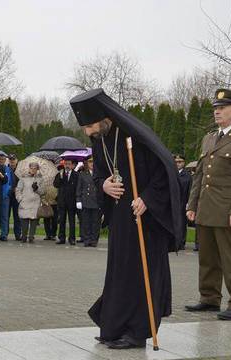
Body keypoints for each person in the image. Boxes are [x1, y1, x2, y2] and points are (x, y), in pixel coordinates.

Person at [71, 89, 182, 349]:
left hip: (145, 218)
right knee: (120, 272)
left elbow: (164, 171)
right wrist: (103, 187)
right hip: (121, 216)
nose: (88, 132)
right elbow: (98, 175)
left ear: (103, 117)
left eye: (89, 125)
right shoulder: (99, 140)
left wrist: (148, 199)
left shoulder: (135, 134)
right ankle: (114, 326)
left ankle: (138, 331)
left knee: (141, 274)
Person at [186, 89, 231, 321]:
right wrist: (192, 204)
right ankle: (209, 298)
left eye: (222, 108)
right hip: (206, 208)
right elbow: (199, 175)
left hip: (228, 211)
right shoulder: (209, 138)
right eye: (215, 108)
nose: (217, 111)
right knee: (207, 257)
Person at [16, 162, 45, 243]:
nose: (33, 170)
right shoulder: (23, 178)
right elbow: (18, 189)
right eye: (31, 168)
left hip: (35, 202)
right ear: (29, 168)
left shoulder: (40, 179)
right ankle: (24, 236)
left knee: (34, 220)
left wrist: (36, 189)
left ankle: (31, 236)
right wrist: (20, 199)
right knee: (24, 219)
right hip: (25, 201)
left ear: (37, 169)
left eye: (35, 168)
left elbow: (43, 192)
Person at [76, 157, 101, 247]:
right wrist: (78, 200)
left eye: (94, 162)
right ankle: (87, 239)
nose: (92, 164)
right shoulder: (82, 174)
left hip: (96, 201)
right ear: (87, 163)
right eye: (90, 162)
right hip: (86, 201)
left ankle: (94, 240)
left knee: (95, 222)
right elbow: (79, 188)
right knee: (86, 222)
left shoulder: (99, 174)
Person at [53, 159, 78, 245]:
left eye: (69, 164)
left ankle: (72, 238)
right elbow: (55, 184)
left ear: (72, 165)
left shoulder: (76, 174)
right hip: (62, 201)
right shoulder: (60, 173)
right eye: (66, 164)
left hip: (72, 201)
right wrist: (60, 177)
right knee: (62, 220)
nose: (67, 166)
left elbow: (77, 188)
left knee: (72, 221)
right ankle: (61, 238)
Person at [0, 154, 21, 241]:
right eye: (11, 159)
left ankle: (18, 234)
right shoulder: (6, 169)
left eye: (14, 159)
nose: (12, 161)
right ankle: (5, 234)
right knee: (6, 215)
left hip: (16, 195)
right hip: (8, 194)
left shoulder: (20, 170)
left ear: (17, 160)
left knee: (17, 215)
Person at [174, 154, 193, 250]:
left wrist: (189, 203)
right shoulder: (172, 173)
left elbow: (190, 190)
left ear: (184, 163)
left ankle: (181, 242)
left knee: (181, 223)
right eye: (176, 162)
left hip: (182, 202)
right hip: (172, 201)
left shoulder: (188, 176)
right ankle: (173, 241)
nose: (177, 164)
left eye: (180, 162)